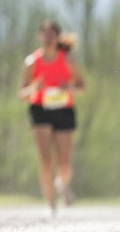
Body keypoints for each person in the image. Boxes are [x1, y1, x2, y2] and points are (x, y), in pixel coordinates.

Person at [17, 20, 85, 214]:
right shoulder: (31, 62)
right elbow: (21, 94)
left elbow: (81, 87)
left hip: (63, 109)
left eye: (51, 34)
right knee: (46, 161)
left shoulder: (68, 60)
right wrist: (34, 88)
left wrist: (69, 87)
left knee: (64, 164)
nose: (48, 38)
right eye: (44, 34)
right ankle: (49, 202)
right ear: (39, 36)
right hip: (40, 109)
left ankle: (61, 184)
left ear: (58, 38)